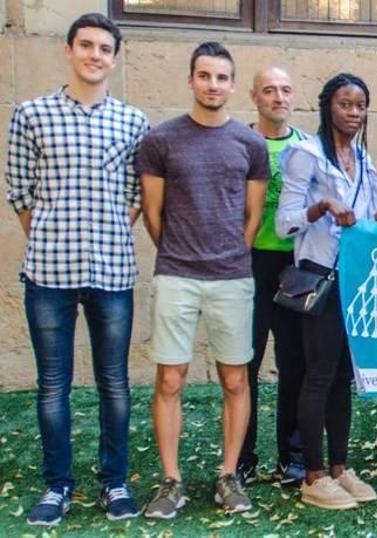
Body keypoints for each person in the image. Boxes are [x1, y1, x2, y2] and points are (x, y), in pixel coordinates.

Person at [6, 13, 148, 525]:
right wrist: (48, 233)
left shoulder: (132, 122)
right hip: (48, 274)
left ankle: (114, 482)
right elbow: (20, 190)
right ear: (68, 50)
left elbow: (137, 195)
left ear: (114, 57)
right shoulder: (31, 113)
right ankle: (57, 486)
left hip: (112, 273)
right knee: (53, 385)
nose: (94, 55)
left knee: (114, 382)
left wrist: (107, 231)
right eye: (85, 45)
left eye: (104, 48)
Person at [137, 41, 267, 518]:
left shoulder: (250, 145)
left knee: (235, 379)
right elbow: (153, 214)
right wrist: (179, 251)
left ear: (232, 85)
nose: (213, 84)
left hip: (232, 277)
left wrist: (232, 252)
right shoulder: (161, 140)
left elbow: (252, 216)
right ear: (191, 79)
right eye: (205, 76)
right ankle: (171, 481)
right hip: (176, 275)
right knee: (170, 379)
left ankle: (228, 475)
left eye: (222, 77)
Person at [276, 73, 377, 510]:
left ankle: (340, 467)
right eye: (345, 104)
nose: (353, 113)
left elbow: (371, 215)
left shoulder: (364, 158)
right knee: (317, 375)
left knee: (342, 377)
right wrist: (320, 208)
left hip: (354, 279)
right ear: (327, 106)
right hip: (318, 276)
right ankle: (313, 474)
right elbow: (284, 222)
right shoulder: (306, 154)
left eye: (360, 106)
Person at [239, 66, 308, 488]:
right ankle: (242, 457)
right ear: (254, 96)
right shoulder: (240, 141)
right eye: (268, 90)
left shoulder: (306, 147)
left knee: (294, 364)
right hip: (248, 262)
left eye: (284, 89)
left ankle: (293, 456)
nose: (278, 97)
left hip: (294, 265)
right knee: (243, 363)